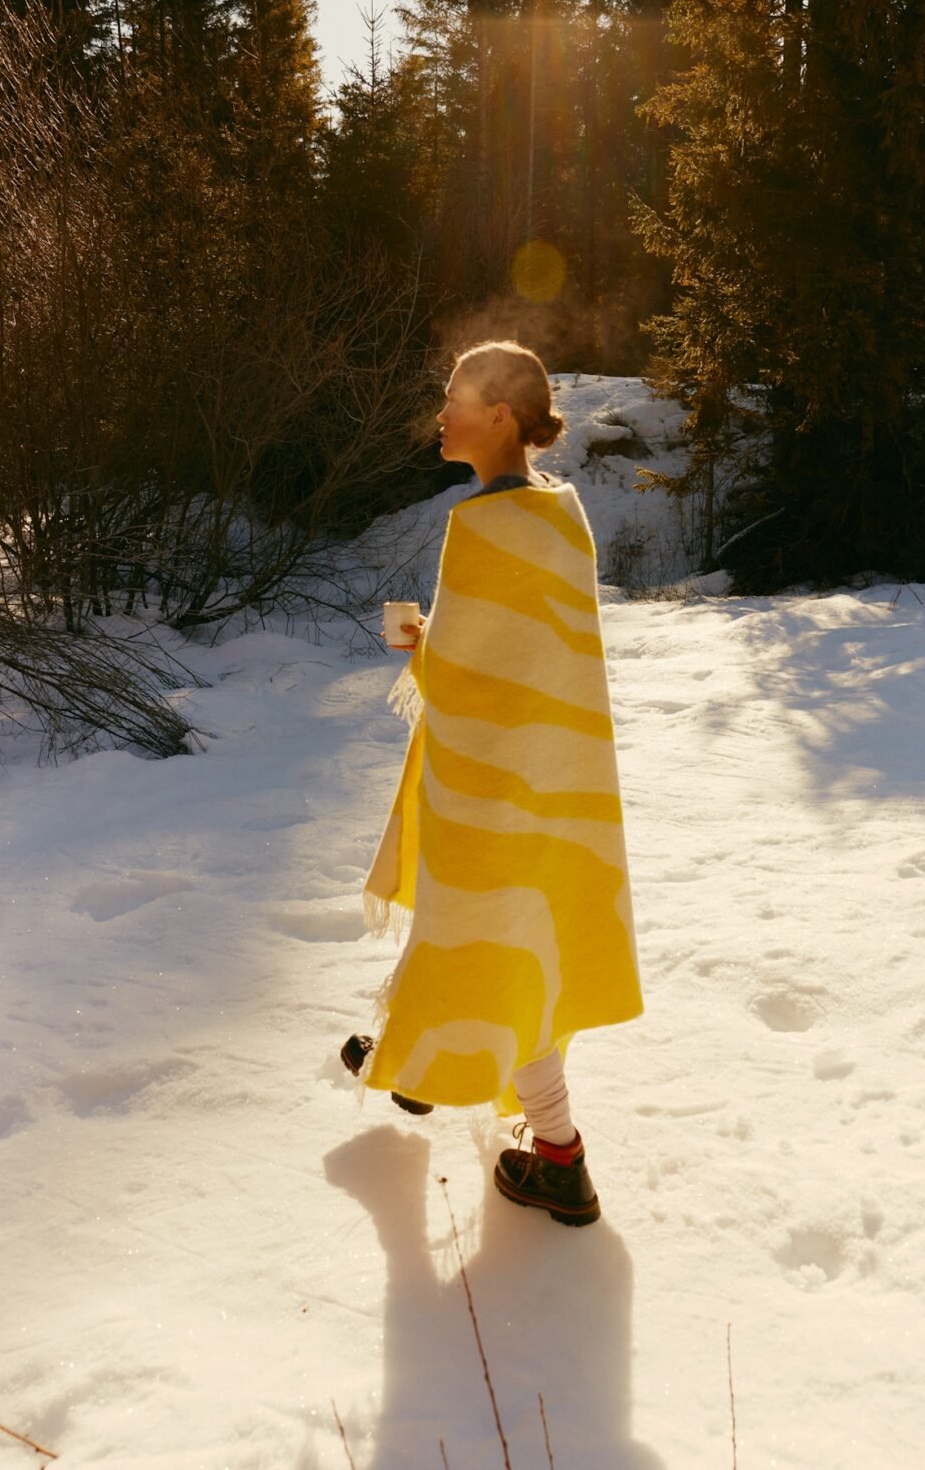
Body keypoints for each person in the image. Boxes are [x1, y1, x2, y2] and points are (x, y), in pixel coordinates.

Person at [342, 341, 643, 1227]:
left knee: (502, 947)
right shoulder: (561, 515)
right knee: (489, 930)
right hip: (551, 782)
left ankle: (560, 1157)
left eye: (456, 398)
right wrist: (452, 641)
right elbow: (534, 653)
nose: (442, 412)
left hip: (491, 788)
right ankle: (418, 1057)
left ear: (501, 414)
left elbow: (467, 678)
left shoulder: (481, 526)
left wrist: (422, 644)